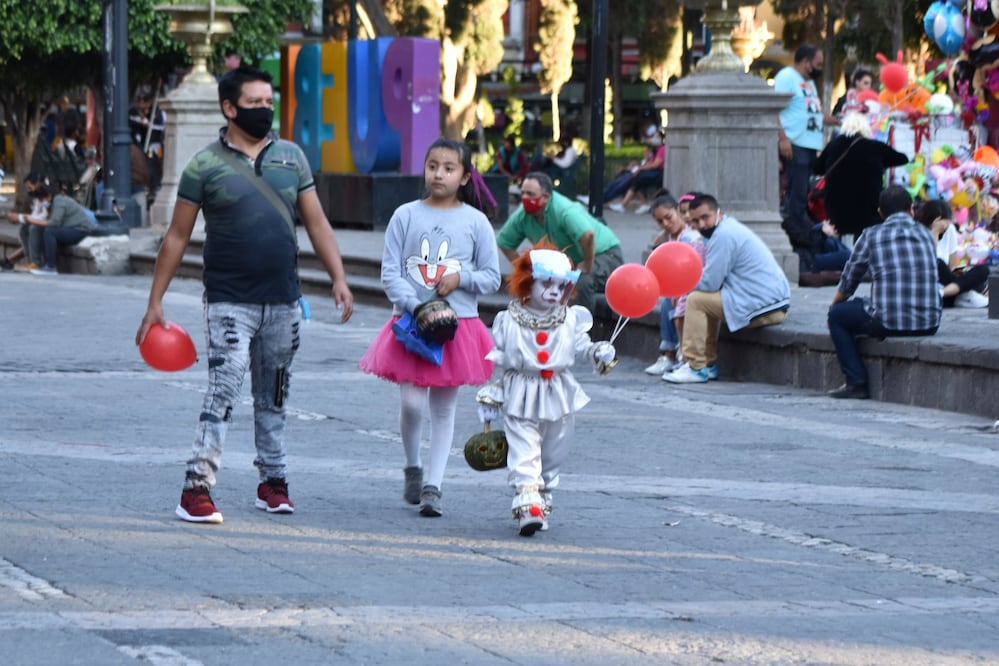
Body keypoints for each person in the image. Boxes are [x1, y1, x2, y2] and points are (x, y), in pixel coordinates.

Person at [135, 65, 355, 525]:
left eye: (269, 102)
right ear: (229, 108)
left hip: (283, 300)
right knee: (223, 389)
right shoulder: (203, 165)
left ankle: (272, 482)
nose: (265, 110)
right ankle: (195, 488)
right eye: (254, 103)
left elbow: (316, 222)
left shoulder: (292, 157)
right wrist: (155, 301)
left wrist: (339, 277)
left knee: (274, 393)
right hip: (229, 300)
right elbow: (176, 237)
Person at [358, 137, 501, 518]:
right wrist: (415, 304)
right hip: (410, 324)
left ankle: (433, 486)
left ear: (465, 177)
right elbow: (390, 272)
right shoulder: (405, 214)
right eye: (433, 165)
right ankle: (412, 464)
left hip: (459, 328)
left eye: (449, 168)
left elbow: (491, 277)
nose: (439, 174)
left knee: (443, 409)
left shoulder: (476, 222)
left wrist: (460, 277)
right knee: (411, 403)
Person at [481, 246, 617, 536]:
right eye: (547, 283)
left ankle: (544, 496)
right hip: (521, 390)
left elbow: (582, 346)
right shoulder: (508, 320)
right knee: (524, 446)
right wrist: (494, 392)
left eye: (561, 285)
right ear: (528, 282)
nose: (555, 292)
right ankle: (528, 504)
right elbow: (501, 359)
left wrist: (598, 351)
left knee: (554, 451)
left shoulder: (570, 318)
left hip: (558, 390)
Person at [826, 187, 941, 400]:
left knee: (838, 317)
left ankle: (856, 382)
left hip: (890, 321)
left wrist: (834, 307)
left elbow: (849, 280)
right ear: (911, 210)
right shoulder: (926, 234)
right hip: (930, 321)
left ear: (880, 213)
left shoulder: (871, 235)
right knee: (866, 304)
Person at [662, 193, 790, 384]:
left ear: (718, 213)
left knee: (696, 300)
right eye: (696, 221)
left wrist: (682, 287)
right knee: (705, 299)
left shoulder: (723, 235)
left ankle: (696, 366)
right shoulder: (727, 228)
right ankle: (708, 364)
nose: (701, 224)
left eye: (705, 217)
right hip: (770, 300)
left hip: (766, 305)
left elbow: (709, 283)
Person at [496, 171, 624, 314]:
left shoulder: (564, 210)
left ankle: (580, 331)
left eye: (530, 194)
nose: (525, 198)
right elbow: (504, 242)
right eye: (523, 193)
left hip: (603, 253)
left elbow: (588, 235)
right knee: (534, 282)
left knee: (580, 282)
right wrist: (525, 268)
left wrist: (587, 265)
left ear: (545, 197)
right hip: (566, 263)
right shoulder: (523, 214)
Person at [775, 45, 838, 254]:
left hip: (810, 145)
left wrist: (839, 120)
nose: (819, 68)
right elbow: (773, 109)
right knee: (797, 197)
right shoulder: (786, 77)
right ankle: (798, 243)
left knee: (804, 195)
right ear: (805, 61)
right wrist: (782, 139)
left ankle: (804, 238)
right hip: (795, 144)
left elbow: (814, 113)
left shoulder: (809, 82)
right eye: (817, 64)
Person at [812, 112, 909, 242]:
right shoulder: (874, 147)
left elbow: (817, 168)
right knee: (865, 233)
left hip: (837, 207)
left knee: (838, 239)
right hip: (868, 208)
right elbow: (902, 159)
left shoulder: (833, 145)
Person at [644, 192, 704, 377]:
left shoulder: (690, 236)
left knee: (672, 302)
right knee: (668, 301)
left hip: (696, 284)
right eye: (661, 222)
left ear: (679, 211)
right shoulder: (671, 237)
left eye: (668, 218)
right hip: (682, 286)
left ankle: (675, 354)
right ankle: (669, 353)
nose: (666, 224)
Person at [8, 177, 95, 275]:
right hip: (69, 228)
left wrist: (31, 220)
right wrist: (27, 219)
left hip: (80, 230)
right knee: (37, 229)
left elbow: (54, 223)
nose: (42, 203)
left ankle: (51, 266)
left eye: (42, 199)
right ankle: (37, 262)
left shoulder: (59, 201)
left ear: (48, 196)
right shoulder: (52, 203)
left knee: (50, 231)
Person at [913, 199, 990, 309]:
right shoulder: (917, 231)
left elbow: (952, 266)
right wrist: (935, 231)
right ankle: (963, 294)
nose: (945, 228)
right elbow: (928, 261)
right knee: (938, 263)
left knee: (983, 270)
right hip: (928, 285)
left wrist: (962, 273)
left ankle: (945, 293)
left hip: (945, 288)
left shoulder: (950, 230)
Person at [608, 127, 665, 214]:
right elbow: (647, 163)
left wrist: (640, 168)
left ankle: (624, 204)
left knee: (636, 178)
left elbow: (655, 165)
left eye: (656, 137)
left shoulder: (662, 149)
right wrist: (644, 159)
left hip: (658, 174)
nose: (654, 139)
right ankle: (641, 204)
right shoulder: (653, 150)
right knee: (633, 178)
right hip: (651, 172)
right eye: (653, 136)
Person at [4, 172, 50, 271]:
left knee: (34, 228)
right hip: (43, 222)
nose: (29, 191)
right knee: (24, 229)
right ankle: (30, 259)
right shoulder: (36, 199)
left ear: (37, 184)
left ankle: (35, 261)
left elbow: (44, 217)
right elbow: (35, 215)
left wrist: (20, 218)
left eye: (30, 187)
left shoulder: (48, 195)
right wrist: (19, 218)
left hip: (51, 224)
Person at [129, 85, 166, 204]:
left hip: (152, 146)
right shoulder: (132, 113)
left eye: (145, 101)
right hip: (137, 146)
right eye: (140, 101)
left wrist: (149, 124)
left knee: (152, 160)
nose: (142, 104)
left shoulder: (156, 113)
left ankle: (154, 187)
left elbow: (159, 128)